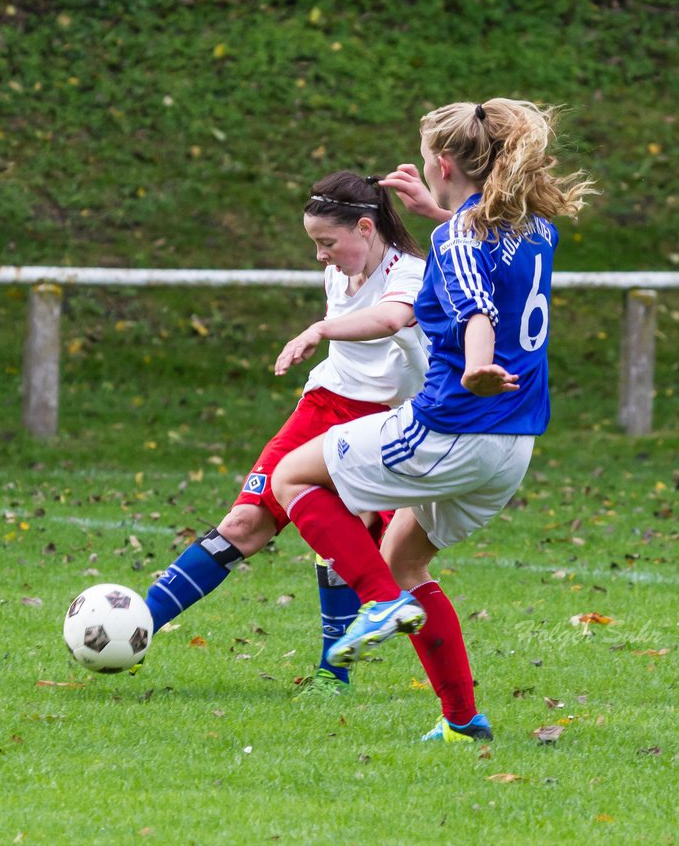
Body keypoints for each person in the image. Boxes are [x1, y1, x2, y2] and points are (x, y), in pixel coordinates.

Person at [271, 99, 596, 740]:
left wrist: (476, 365)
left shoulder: (456, 240)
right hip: (514, 445)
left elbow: (475, 307)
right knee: (402, 557)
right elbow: (482, 257)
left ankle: (381, 605)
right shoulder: (533, 229)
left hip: (453, 427)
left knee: (292, 478)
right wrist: (436, 213)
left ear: (443, 163)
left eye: (426, 161)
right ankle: (462, 721)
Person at [141, 170, 430, 698]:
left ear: (365, 229)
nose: (320, 255)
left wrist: (318, 330)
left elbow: (391, 319)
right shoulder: (337, 274)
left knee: (349, 532)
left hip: (388, 422)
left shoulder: (409, 273)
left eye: (326, 243)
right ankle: (134, 629)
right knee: (244, 521)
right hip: (323, 407)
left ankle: (332, 675)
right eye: (314, 243)